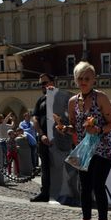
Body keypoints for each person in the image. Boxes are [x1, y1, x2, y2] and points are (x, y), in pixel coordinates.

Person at [69, 61, 111, 220]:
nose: (83, 81)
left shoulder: (101, 98)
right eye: (80, 78)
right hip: (84, 149)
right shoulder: (73, 101)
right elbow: (75, 126)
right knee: (84, 186)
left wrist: (98, 130)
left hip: (103, 148)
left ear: (93, 80)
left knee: (98, 185)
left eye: (87, 78)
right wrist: (66, 129)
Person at [30, 73, 72, 203]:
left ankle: (63, 192)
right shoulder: (41, 100)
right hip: (44, 139)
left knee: (61, 166)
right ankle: (45, 193)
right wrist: (41, 134)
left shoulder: (63, 98)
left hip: (60, 139)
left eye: (45, 82)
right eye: (40, 84)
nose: (42, 86)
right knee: (46, 167)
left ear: (53, 82)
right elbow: (35, 118)